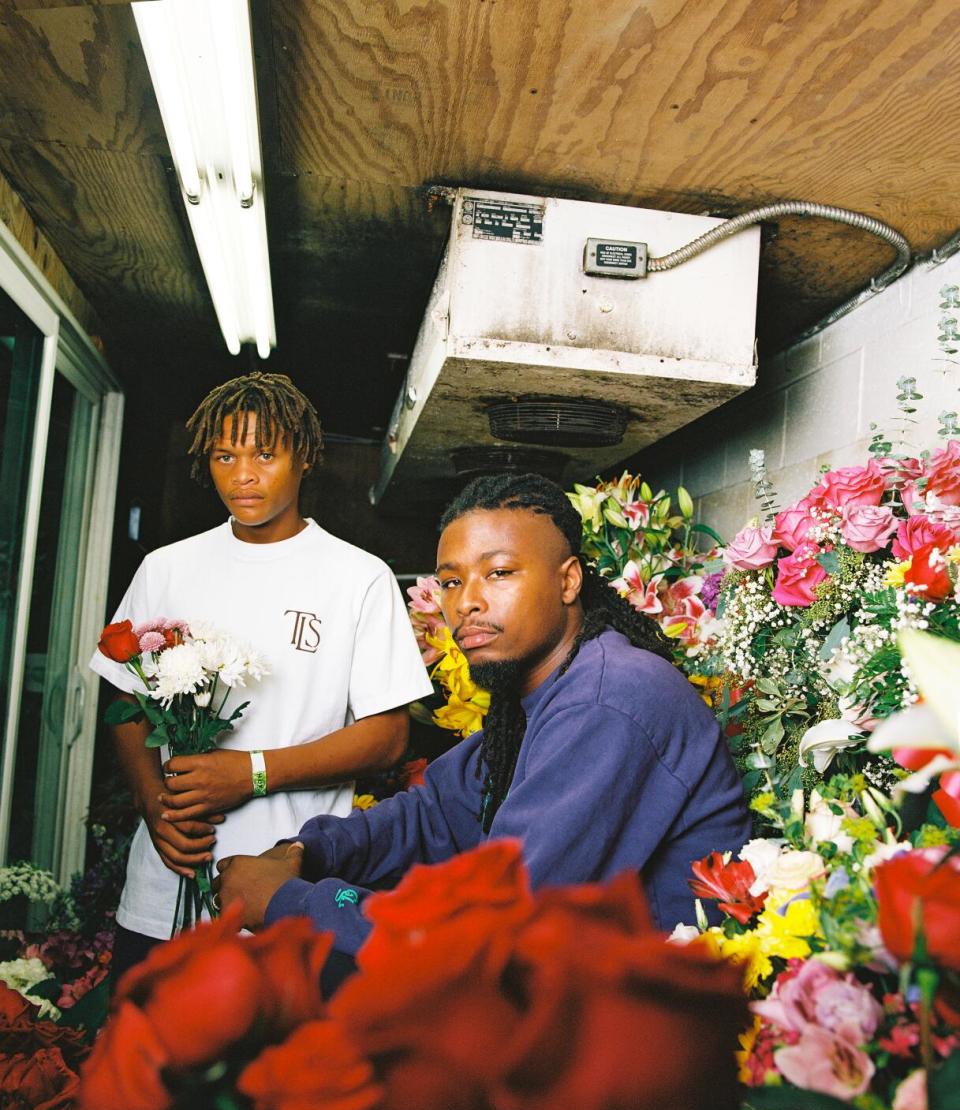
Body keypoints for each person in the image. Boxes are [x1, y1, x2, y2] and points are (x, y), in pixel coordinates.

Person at [217, 472, 750, 955]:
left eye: (498, 572)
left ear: (568, 582)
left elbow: (492, 926)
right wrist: (307, 852)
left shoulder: (609, 700)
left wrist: (293, 902)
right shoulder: (539, 693)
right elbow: (434, 814)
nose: (465, 601)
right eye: (450, 581)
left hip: (653, 1026)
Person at [90, 372, 432, 978]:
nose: (242, 474)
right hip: (162, 894)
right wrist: (154, 808)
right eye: (225, 455)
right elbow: (124, 697)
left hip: (284, 895)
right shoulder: (166, 568)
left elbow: (387, 736)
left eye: (264, 454)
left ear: (304, 457)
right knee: (144, 1067)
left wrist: (249, 773)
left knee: (276, 1071)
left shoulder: (358, 577)